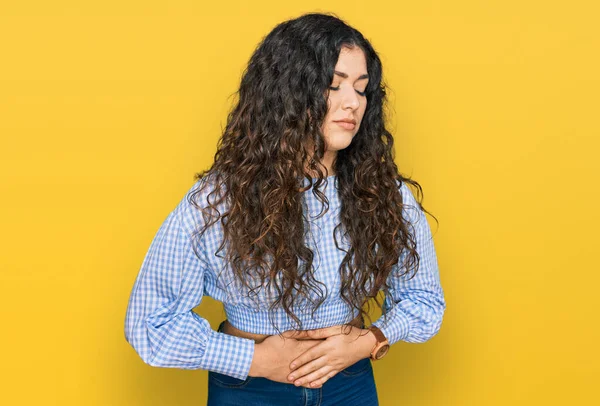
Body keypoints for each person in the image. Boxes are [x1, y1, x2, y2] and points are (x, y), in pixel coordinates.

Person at [124, 12, 446, 406]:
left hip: (350, 384)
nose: (353, 104)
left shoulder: (383, 193)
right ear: (287, 94)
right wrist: (254, 359)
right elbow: (149, 323)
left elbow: (425, 300)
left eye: (362, 90)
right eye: (334, 85)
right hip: (250, 389)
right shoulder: (218, 200)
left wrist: (369, 342)